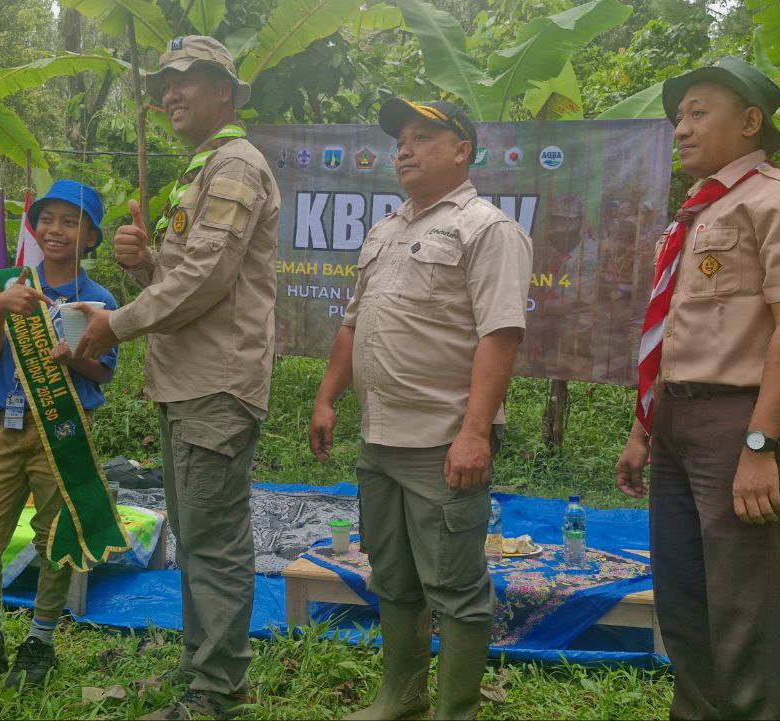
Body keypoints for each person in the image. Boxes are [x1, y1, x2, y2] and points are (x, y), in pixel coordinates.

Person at [613, 57, 780, 720]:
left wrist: (760, 442)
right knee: (684, 599)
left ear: (750, 121)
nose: (681, 128)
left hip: (742, 422)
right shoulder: (690, 217)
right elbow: (673, 334)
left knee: (747, 606)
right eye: (678, 117)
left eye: (698, 112)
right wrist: (642, 430)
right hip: (677, 426)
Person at [71, 35, 280, 720]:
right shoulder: (205, 169)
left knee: (214, 543)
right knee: (196, 536)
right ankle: (202, 674)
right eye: (165, 81)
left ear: (225, 87)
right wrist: (143, 263)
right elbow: (188, 276)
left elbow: (208, 277)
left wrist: (115, 320)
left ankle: (217, 695)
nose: (171, 92)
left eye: (187, 78)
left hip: (214, 385)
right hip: (187, 381)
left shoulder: (236, 167)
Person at [309, 99, 533, 720]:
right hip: (379, 441)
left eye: (422, 137)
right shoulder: (385, 232)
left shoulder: (487, 229)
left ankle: (453, 711)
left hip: (443, 443)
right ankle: (400, 698)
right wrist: (328, 397)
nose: (403, 149)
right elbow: (353, 325)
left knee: (456, 590)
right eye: (400, 139)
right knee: (393, 577)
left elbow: (500, 336)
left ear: (462, 149)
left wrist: (474, 433)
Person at [0, 180, 119, 691]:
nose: (55, 230)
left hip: (61, 434)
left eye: (71, 222)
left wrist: (77, 357)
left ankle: (40, 642)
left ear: (90, 237)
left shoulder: (98, 300)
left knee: (53, 542)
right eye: (48, 220)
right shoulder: (9, 284)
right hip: (3, 429)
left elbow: (104, 372)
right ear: (34, 227)